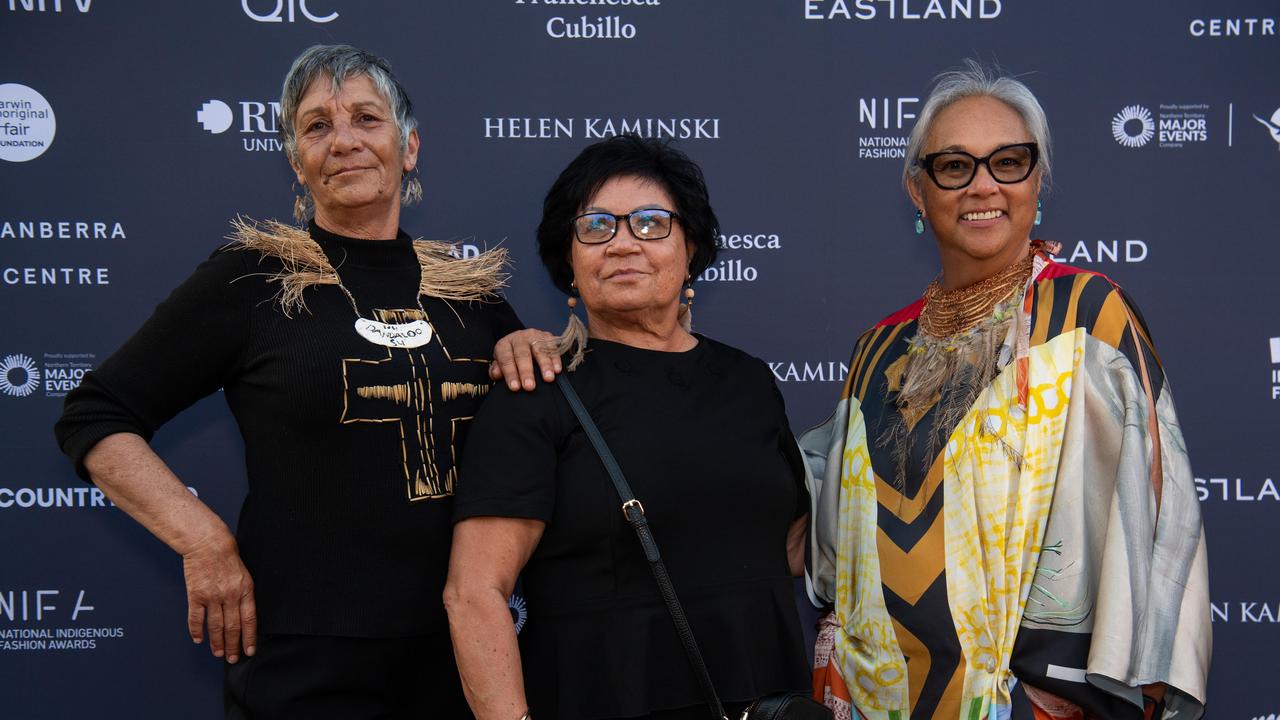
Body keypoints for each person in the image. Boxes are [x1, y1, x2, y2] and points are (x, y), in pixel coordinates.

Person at [54, 44, 520, 718]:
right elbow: (93, 415)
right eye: (317, 126)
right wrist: (203, 540)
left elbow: (541, 421)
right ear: (296, 161)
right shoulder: (253, 278)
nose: (345, 142)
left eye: (367, 118)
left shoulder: (470, 293)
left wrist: (533, 343)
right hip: (304, 656)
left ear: (410, 146)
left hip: (460, 649)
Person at [802, 61, 1210, 720]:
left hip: (1038, 703)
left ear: (1037, 178)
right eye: (955, 166)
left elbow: (1156, 532)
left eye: (1008, 162)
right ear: (916, 188)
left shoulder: (1087, 317)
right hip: (884, 701)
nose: (983, 185)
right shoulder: (876, 348)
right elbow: (823, 527)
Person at [444, 135, 813, 720]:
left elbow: (794, 548)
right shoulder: (535, 393)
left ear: (690, 246)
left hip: (764, 701)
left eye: (649, 223)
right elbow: (474, 593)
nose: (622, 244)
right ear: (569, 259)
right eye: (595, 226)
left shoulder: (748, 382)